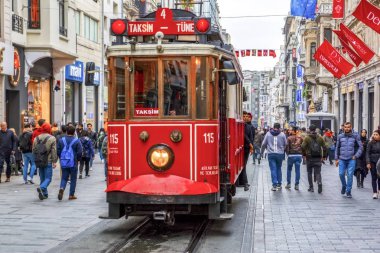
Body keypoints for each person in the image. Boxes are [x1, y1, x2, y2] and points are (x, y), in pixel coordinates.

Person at [335, 122, 363, 198]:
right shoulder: (340, 136)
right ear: (343, 128)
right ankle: (344, 185)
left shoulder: (355, 136)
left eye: (348, 127)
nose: (347, 128)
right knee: (341, 174)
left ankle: (348, 191)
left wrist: (356, 156)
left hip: (351, 159)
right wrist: (336, 159)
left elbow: (361, 147)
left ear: (351, 128)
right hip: (342, 159)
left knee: (350, 175)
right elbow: (337, 148)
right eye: (345, 127)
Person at [32, 122, 58, 200]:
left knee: (42, 178)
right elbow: (54, 150)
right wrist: (54, 161)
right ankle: (42, 187)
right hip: (48, 160)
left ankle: (45, 194)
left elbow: (33, 150)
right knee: (48, 178)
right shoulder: (52, 138)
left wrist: (35, 159)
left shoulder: (36, 138)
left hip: (39, 160)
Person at [57, 125, 82, 200]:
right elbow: (80, 152)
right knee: (73, 179)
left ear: (66, 131)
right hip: (73, 162)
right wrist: (78, 159)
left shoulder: (61, 140)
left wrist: (61, 158)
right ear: (74, 132)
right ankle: (71, 195)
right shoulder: (76, 140)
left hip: (64, 161)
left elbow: (58, 150)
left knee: (64, 177)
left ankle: (62, 188)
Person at [301, 124, 327, 193]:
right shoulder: (320, 137)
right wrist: (324, 156)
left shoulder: (307, 138)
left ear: (309, 129)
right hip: (318, 157)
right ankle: (319, 182)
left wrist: (304, 154)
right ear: (315, 129)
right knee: (318, 172)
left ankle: (311, 187)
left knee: (309, 173)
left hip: (309, 158)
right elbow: (324, 147)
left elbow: (302, 147)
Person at [261, 122, 287, 191]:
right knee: (279, 168)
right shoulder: (282, 134)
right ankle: (279, 184)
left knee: (273, 169)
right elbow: (285, 144)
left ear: (273, 127)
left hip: (271, 154)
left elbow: (263, 144)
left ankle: (274, 185)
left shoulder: (268, 134)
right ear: (279, 127)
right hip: (280, 154)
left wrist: (262, 152)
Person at [237, 111, 254, 191]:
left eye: (246, 116)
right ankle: (244, 182)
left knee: (243, 165)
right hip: (242, 147)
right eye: (244, 116)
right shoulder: (241, 126)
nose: (245, 117)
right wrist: (250, 144)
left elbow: (250, 137)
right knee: (243, 165)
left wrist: (251, 146)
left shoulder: (249, 127)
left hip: (246, 148)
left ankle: (245, 183)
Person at [285, 126, 303, 190]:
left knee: (289, 170)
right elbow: (303, 146)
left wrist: (288, 154)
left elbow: (287, 147)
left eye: (291, 130)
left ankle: (289, 183)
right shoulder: (300, 138)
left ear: (293, 131)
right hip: (298, 156)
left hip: (291, 156)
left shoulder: (289, 138)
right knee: (297, 170)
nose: (289, 131)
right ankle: (297, 184)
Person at [366, 130, 380, 199]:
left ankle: (379, 191)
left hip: (379, 162)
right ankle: (374, 192)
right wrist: (368, 162)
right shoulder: (370, 143)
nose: (374, 136)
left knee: (379, 177)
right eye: (374, 134)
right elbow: (367, 153)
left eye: (376, 134)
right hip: (372, 161)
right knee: (374, 177)